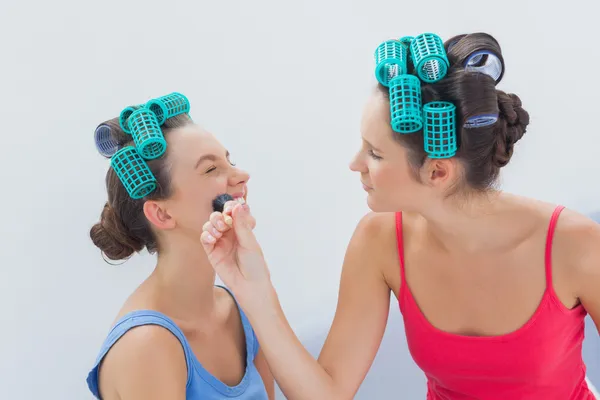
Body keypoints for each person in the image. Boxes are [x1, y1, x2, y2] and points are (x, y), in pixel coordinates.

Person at [200, 33, 600, 399]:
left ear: (437, 172)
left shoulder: (576, 245)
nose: (355, 164)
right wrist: (252, 287)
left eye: (374, 153)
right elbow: (327, 393)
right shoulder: (380, 242)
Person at [86, 95, 274, 400]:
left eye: (231, 162)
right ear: (162, 214)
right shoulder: (147, 346)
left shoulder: (240, 311)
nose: (241, 177)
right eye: (211, 170)